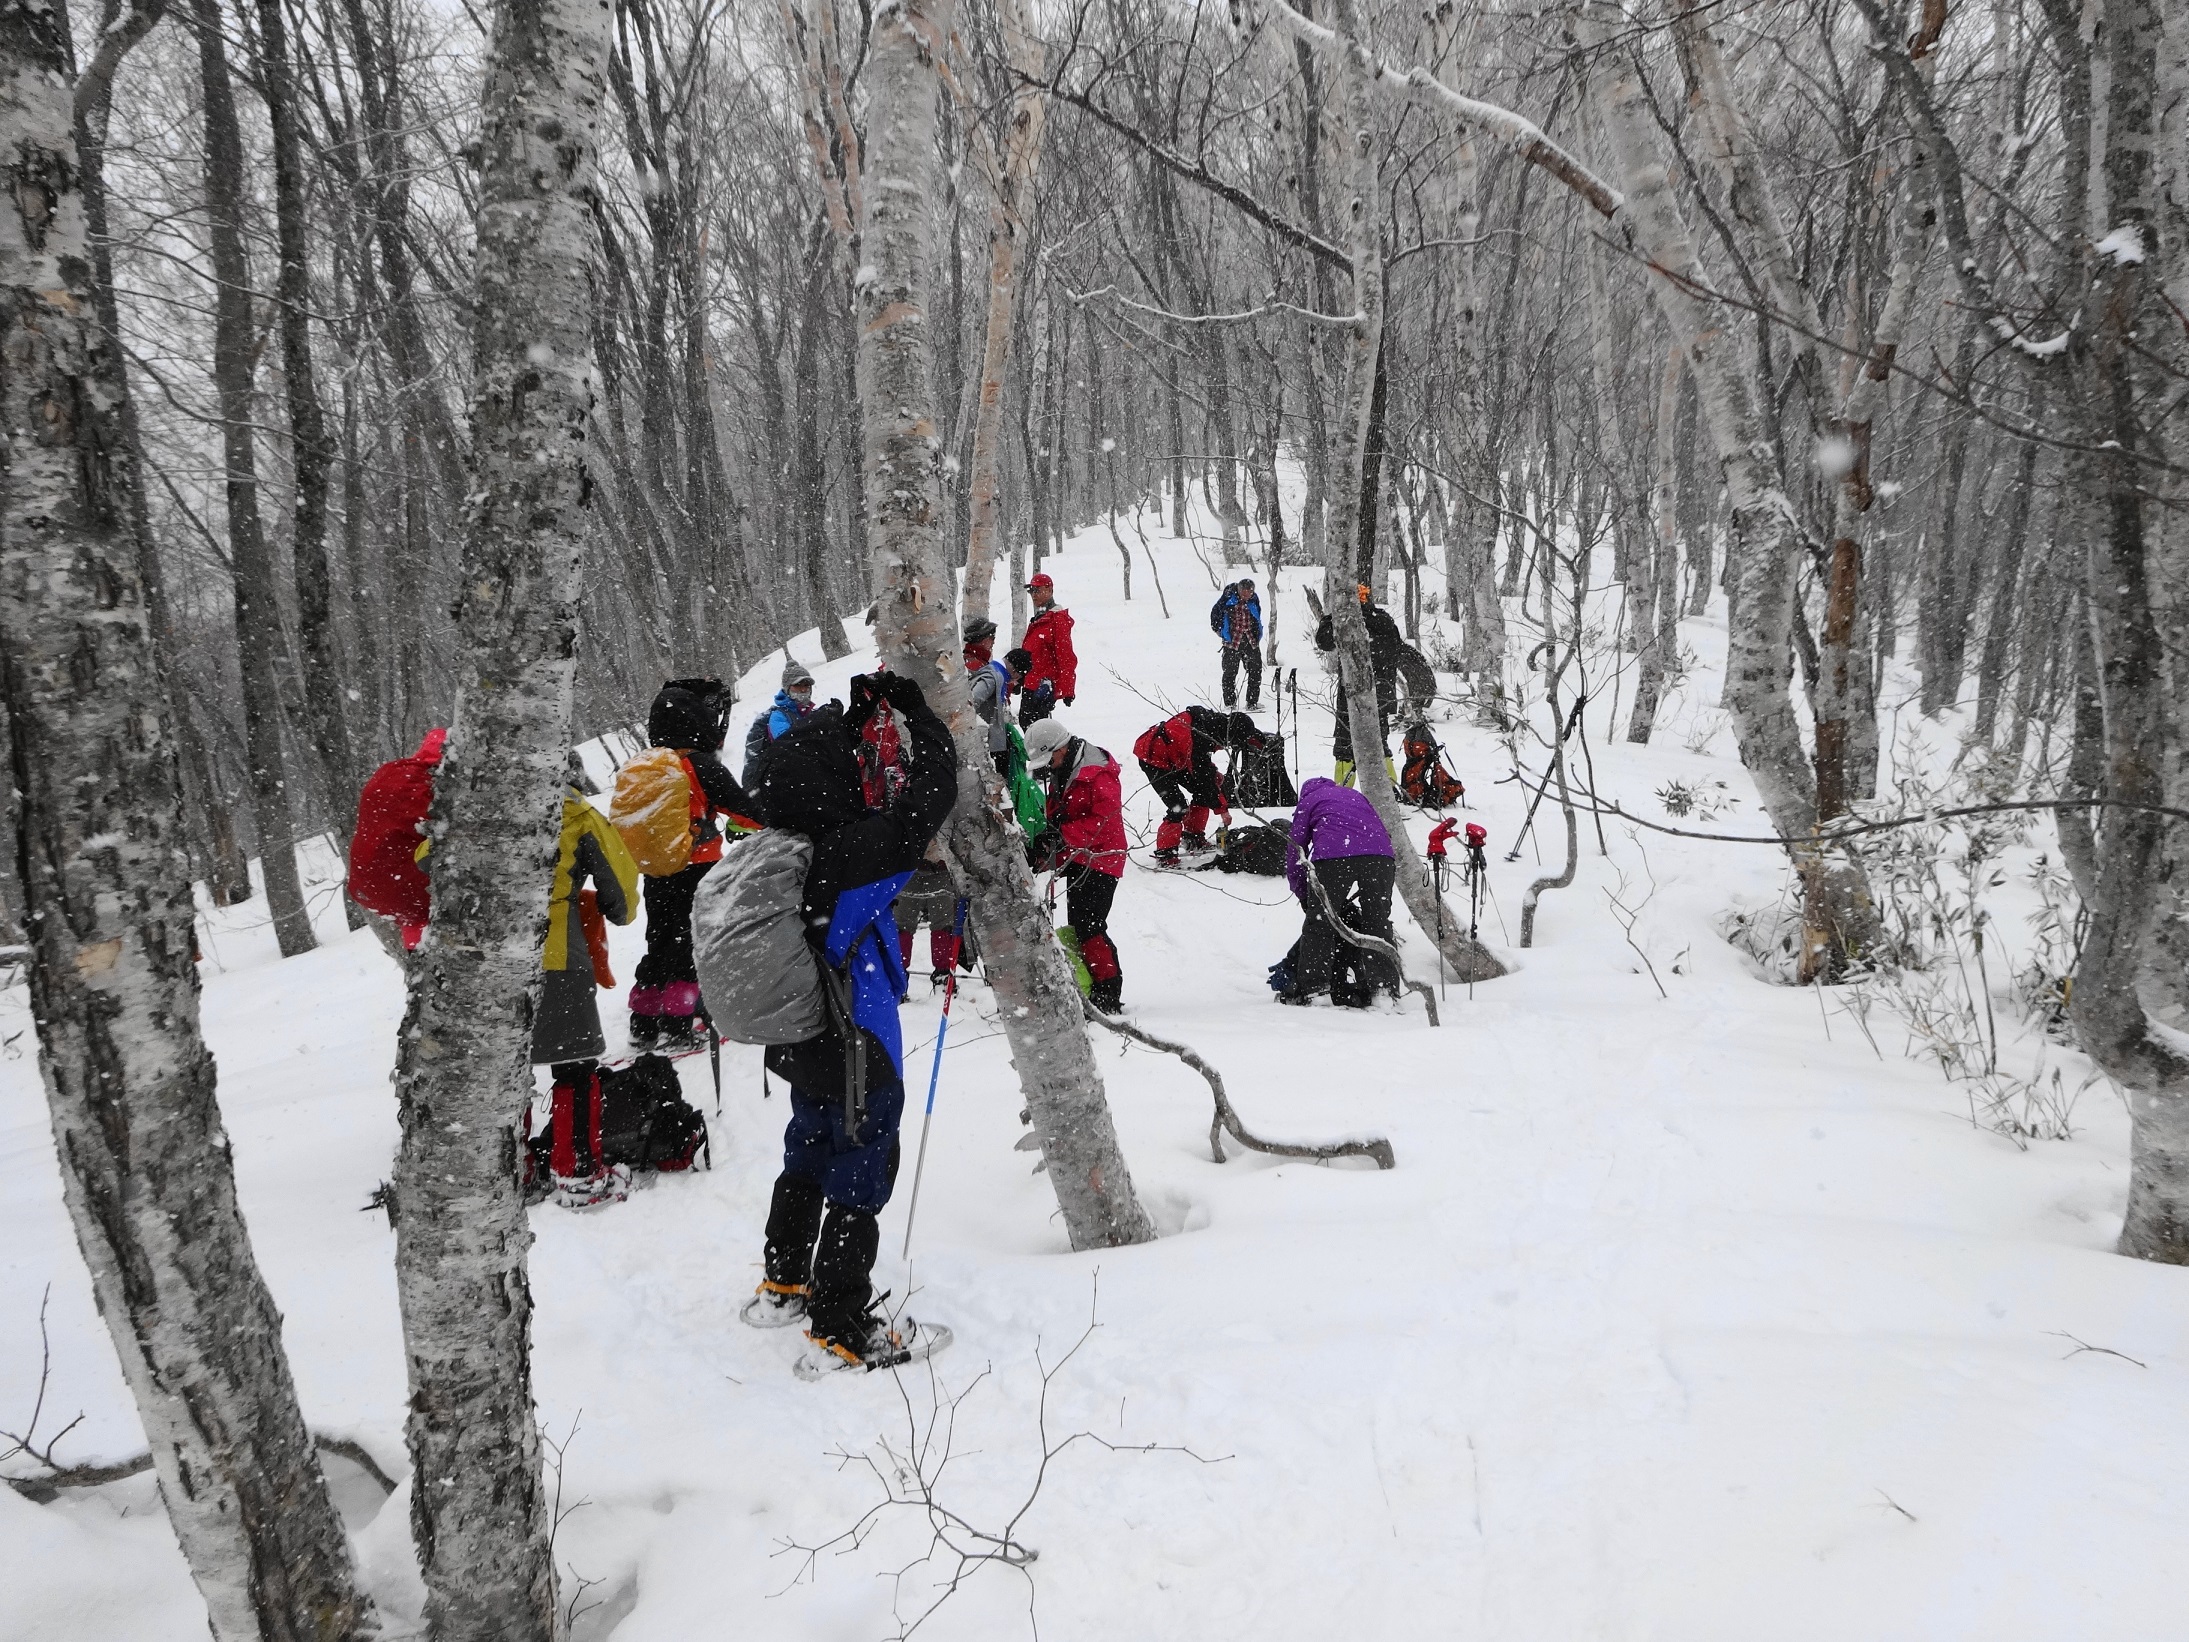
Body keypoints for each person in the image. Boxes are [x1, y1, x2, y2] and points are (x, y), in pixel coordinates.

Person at [745, 672, 958, 1366]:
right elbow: (932, 796)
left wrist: (856, 717)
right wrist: (917, 712)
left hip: (797, 1031)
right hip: (856, 1038)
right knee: (862, 1165)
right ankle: (840, 1324)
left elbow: (812, 767)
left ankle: (784, 1281)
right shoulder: (849, 856)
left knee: (807, 1147)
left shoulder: (770, 849)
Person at [534, 758, 642, 1190]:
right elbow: (621, 890)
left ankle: (506, 1175)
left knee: (499, 1072)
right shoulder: (575, 812)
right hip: (554, 952)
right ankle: (577, 1173)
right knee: (574, 1067)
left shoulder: (474, 801)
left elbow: (426, 860)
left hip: (479, 961)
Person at [630, 677, 752, 1052]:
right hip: (697, 866)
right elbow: (747, 811)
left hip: (656, 868)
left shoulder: (646, 764)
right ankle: (682, 1024)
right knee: (690, 942)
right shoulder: (698, 765)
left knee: (660, 939)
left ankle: (644, 1021)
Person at [1024, 715, 1126, 1012]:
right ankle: (1091, 985)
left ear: (1061, 748)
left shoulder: (1097, 773)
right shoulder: (1065, 767)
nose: (1047, 767)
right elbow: (1063, 808)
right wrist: (1050, 833)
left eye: (1048, 759)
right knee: (1080, 926)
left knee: (1090, 928)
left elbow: (1103, 824)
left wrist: (1061, 834)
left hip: (1103, 857)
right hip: (1078, 855)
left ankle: (1108, 995)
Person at [1281, 776, 1398, 1009]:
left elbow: (1296, 849)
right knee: (1377, 921)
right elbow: (1379, 829)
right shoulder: (1355, 795)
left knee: (1320, 923)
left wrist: (1304, 894)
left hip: (1334, 855)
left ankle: (1316, 991)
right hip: (1380, 855)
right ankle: (1383, 990)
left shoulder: (1309, 801)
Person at [1313, 583, 1405, 786]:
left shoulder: (1346, 621)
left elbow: (1323, 641)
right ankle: (1389, 791)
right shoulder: (1383, 620)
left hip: (1352, 694)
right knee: (1379, 744)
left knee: (1345, 746)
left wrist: (1331, 618)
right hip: (1380, 694)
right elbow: (1395, 651)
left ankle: (1343, 793)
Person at [1132, 704, 1235, 867]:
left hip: (1176, 758)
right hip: (1154, 760)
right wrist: (1222, 810)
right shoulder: (1201, 736)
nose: (1222, 749)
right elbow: (1203, 772)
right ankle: (1166, 854)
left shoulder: (1209, 726)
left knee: (1202, 792)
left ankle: (1193, 836)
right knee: (1177, 806)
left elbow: (1202, 768)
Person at [1018, 573, 1076, 725]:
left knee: (1036, 729)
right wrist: (1018, 679)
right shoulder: (1040, 619)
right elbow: (1031, 655)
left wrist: (1066, 689)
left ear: (1049, 590)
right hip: (1031, 684)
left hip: (1043, 685)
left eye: (1037, 590)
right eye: (1031, 591)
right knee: (1029, 725)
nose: (1033, 595)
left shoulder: (1057, 620)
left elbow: (1066, 656)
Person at [745, 658, 816, 768]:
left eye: (806, 686)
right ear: (787, 689)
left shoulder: (811, 712)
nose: (803, 690)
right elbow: (788, 744)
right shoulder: (778, 716)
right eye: (797, 686)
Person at [963, 617, 1012, 770]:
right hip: (985, 738)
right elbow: (972, 701)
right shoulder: (978, 666)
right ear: (984, 640)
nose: (994, 642)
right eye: (992, 638)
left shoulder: (967, 661)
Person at [1210, 578, 1264, 710]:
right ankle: (1230, 704)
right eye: (1244, 592)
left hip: (1250, 640)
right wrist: (1221, 632)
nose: (1247, 595)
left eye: (1249, 592)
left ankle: (1252, 703)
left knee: (1255, 671)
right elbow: (1215, 614)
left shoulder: (1254, 600)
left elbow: (1257, 616)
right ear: (1239, 591)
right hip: (1232, 642)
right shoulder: (1228, 598)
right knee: (1229, 673)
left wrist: (1257, 634)